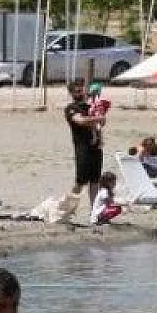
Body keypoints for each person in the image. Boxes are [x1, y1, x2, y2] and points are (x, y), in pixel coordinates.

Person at [64, 78, 105, 216]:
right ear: (71, 93)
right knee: (80, 182)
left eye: (81, 89)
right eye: (76, 91)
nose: (80, 92)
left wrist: (99, 117)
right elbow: (80, 120)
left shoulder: (91, 106)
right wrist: (97, 119)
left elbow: (101, 122)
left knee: (95, 181)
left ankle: (94, 211)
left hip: (96, 147)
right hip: (83, 148)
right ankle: (68, 210)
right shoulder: (71, 108)